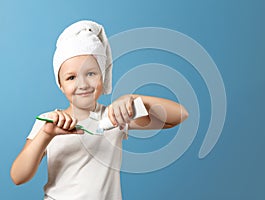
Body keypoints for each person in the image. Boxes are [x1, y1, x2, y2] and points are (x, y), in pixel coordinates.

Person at [10, 20, 188, 200]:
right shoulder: (48, 121)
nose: (83, 84)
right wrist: (47, 134)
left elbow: (180, 114)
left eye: (91, 74)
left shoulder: (115, 116)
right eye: (71, 77)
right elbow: (18, 177)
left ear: (102, 77)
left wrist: (133, 99)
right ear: (61, 85)